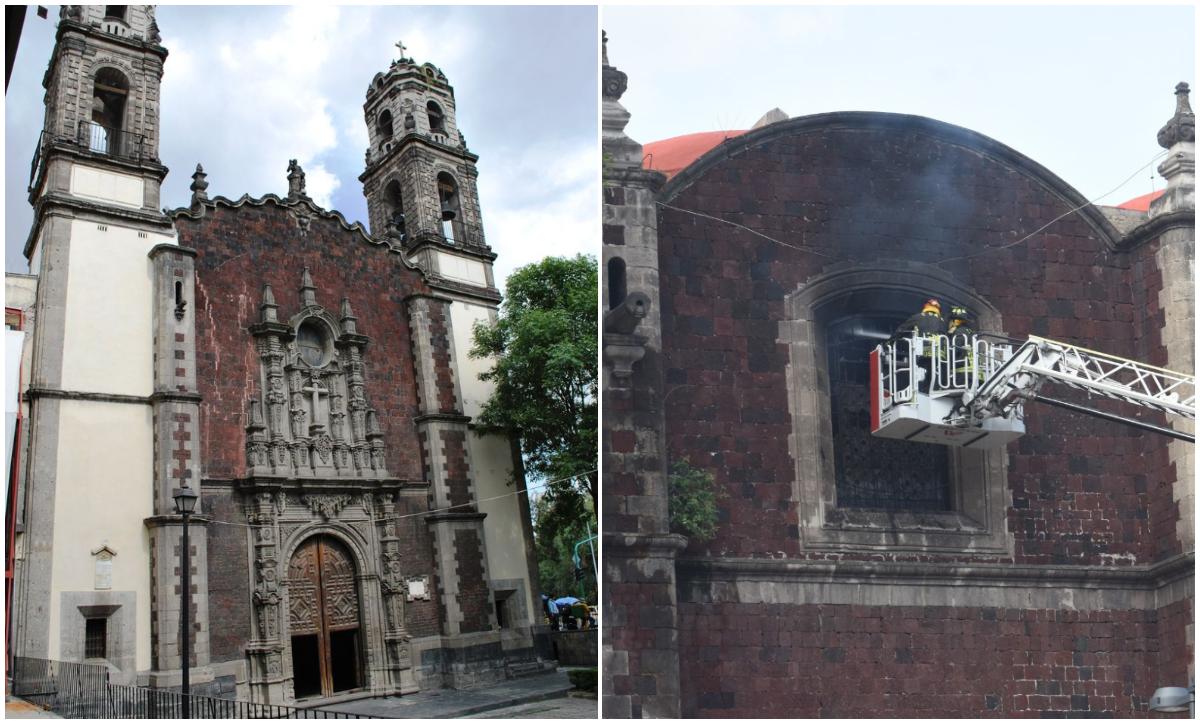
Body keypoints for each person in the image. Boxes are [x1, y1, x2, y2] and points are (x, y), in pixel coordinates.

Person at [890, 299, 945, 393]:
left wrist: (889, 342)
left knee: (921, 378)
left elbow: (901, 331)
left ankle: (921, 392)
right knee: (935, 377)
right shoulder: (943, 322)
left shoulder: (918, 317)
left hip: (922, 354)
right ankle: (935, 389)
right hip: (940, 356)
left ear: (925, 307)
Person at [945, 306, 978, 388]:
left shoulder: (959, 332)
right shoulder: (970, 332)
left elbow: (954, 350)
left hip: (963, 373)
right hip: (974, 372)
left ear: (955, 321)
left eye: (950, 321)